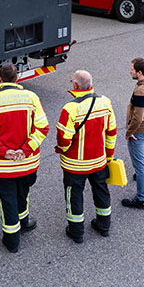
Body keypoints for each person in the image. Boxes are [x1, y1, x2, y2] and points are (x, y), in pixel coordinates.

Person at [0, 64, 49, 253]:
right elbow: (42, 128)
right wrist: (24, 150)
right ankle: (24, 222)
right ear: (17, 78)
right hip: (27, 162)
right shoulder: (31, 98)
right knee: (23, 193)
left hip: (1, 166)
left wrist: (3, 152)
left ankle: (12, 240)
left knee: (7, 200)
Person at [55, 70, 117, 243]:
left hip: (75, 165)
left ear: (75, 85)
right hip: (99, 161)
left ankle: (76, 232)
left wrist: (62, 150)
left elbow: (63, 139)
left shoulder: (70, 108)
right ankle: (104, 225)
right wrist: (109, 155)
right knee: (101, 191)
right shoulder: (105, 102)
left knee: (74, 195)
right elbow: (111, 132)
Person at [122, 58, 144, 209]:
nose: (130, 71)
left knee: (140, 166)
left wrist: (129, 132)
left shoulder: (140, 91)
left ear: (139, 72)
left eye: (132, 69)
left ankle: (141, 198)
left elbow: (138, 116)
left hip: (140, 132)